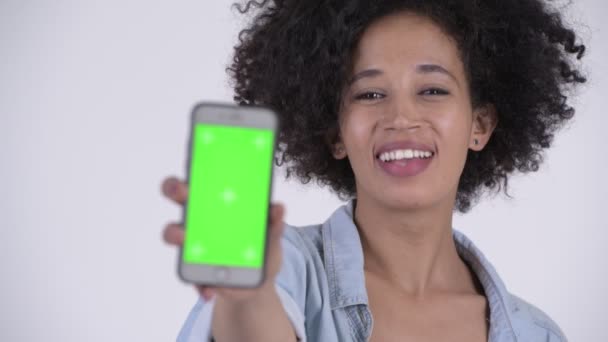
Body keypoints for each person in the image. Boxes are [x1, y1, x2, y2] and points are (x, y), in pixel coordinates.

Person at [162, 0, 586, 341]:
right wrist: (247, 297)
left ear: (480, 125)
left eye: (433, 90)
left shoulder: (537, 333)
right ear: (336, 135)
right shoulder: (285, 268)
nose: (401, 117)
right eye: (369, 93)